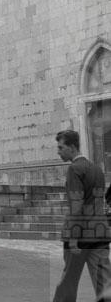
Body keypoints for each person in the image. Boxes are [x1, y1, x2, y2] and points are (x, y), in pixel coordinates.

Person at [53, 129, 111, 302]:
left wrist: (72, 238)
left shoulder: (74, 169)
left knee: (68, 285)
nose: (58, 152)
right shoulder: (97, 169)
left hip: (80, 237)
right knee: (105, 286)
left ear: (72, 147)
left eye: (61, 147)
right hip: (100, 234)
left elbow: (76, 206)